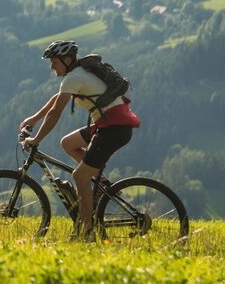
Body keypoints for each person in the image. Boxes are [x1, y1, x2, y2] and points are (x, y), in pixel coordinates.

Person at [19, 40, 140, 240]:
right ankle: (101, 183)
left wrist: (36, 139)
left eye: (54, 62)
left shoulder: (74, 78)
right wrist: (33, 119)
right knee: (68, 143)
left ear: (66, 60)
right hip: (111, 125)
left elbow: (55, 113)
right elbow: (56, 100)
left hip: (113, 129)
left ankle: (87, 232)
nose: (51, 66)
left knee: (80, 177)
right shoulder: (78, 74)